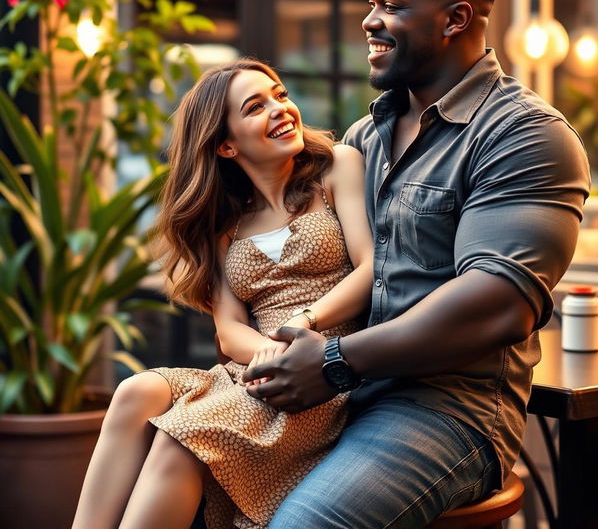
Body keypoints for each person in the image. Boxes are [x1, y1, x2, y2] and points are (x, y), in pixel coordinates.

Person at [243, 0, 591, 527]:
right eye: (370, 3)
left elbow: (498, 302)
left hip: (446, 411)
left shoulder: (525, 136)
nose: (369, 21)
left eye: (391, 5)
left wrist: (334, 361)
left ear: (455, 19)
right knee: (182, 467)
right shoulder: (362, 138)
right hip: (344, 393)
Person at [72, 59, 373, 529]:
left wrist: (304, 328)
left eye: (280, 94)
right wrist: (272, 353)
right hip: (256, 368)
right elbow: (230, 329)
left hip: (320, 372)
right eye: (256, 106)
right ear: (227, 145)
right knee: (134, 391)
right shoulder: (227, 220)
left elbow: (370, 269)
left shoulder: (335, 167)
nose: (280, 108)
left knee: (184, 436)